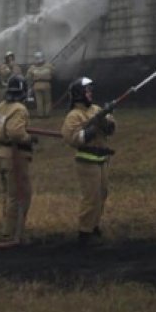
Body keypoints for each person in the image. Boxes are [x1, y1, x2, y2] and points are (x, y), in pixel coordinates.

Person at [60, 77, 115, 245]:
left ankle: (94, 225)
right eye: (87, 91)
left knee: (102, 194)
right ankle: (85, 232)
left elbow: (111, 130)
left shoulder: (96, 109)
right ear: (79, 94)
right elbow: (74, 138)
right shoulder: (74, 116)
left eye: (91, 91)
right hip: (87, 161)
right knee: (91, 197)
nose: (90, 94)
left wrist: (105, 117)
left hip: (102, 160)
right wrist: (95, 126)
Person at [0, 74, 36, 243]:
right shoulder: (19, 109)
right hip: (15, 157)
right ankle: (15, 236)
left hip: (2, 155)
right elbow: (16, 132)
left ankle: (7, 231)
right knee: (21, 196)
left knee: (9, 196)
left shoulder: (1, 106)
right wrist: (29, 138)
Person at [26, 51, 55, 118]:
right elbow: (53, 73)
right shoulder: (48, 65)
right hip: (46, 84)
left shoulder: (32, 67)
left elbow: (28, 77)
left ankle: (40, 115)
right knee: (47, 101)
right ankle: (47, 114)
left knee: (39, 101)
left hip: (36, 85)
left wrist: (30, 85)